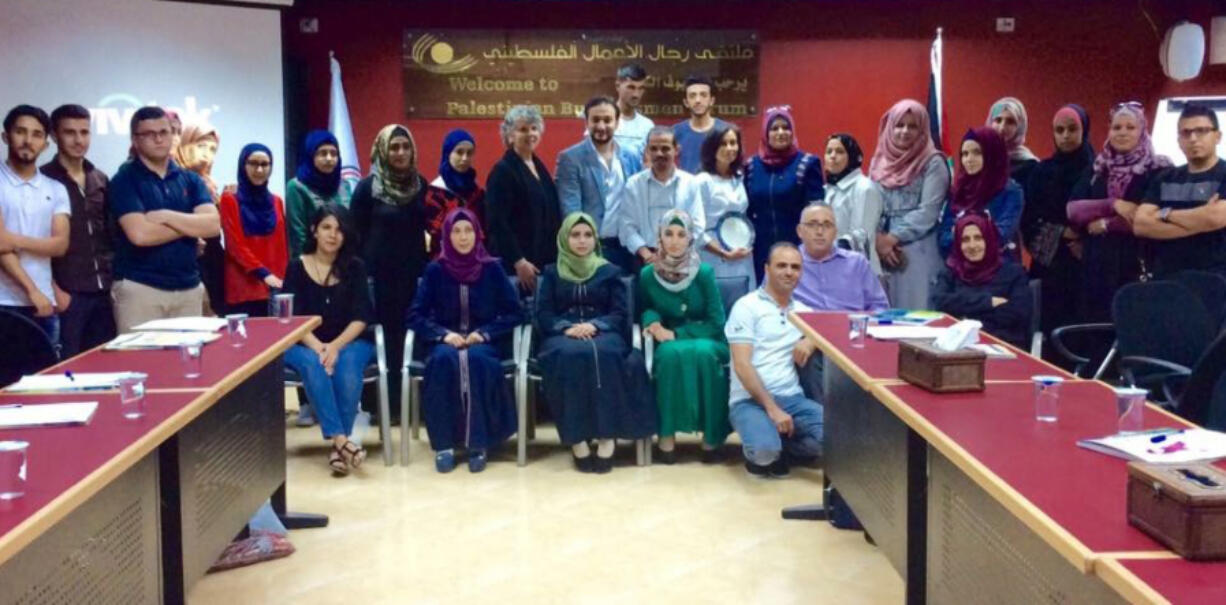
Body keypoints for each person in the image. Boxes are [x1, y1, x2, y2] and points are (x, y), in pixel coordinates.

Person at [536, 212, 656, 473]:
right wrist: (566, 328)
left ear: (595, 239)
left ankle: (606, 436)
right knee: (569, 357)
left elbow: (620, 314)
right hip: (562, 337)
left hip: (604, 333)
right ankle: (577, 439)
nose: (582, 241)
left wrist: (594, 325)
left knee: (605, 356)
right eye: (575, 235)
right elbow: (544, 314)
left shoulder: (610, 272)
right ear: (564, 239)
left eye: (588, 235)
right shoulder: (552, 273)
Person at [408, 208, 522, 474]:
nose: (463, 237)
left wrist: (485, 333)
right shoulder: (436, 270)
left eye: (468, 230)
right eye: (456, 231)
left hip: (483, 340)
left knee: (478, 360)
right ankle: (444, 445)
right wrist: (442, 334)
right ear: (447, 235)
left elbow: (516, 311)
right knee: (443, 361)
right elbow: (414, 314)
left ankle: (478, 443)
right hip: (444, 341)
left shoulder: (491, 268)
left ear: (478, 234)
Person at [107, 106, 219, 333]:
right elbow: (140, 235)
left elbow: (213, 226)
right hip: (141, 288)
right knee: (142, 365)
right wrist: (190, 226)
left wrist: (167, 217)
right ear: (135, 140)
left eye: (164, 132)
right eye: (149, 134)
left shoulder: (191, 180)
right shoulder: (124, 179)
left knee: (188, 365)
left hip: (188, 287)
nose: (158, 139)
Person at [282, 204, 375, 476]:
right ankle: (342, 441)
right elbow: (291, 318)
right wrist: (319, 347)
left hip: (350, 341)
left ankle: (338, 447)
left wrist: (334, 347)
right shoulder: (296, 267)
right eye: (326, 228)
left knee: (347, 369)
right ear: (314, 230)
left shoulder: (355, 267)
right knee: (313, 364)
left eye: (339, 229)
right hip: (302, 341)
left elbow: (361, 317)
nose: (333, 235)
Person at [350, 124, 429, 428]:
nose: (400, 153)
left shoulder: (420, 185)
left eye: (405, 147)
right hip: (377, 281)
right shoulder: (367, 188)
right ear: (382, 150)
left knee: (412, 339)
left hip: (414, 278)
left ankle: (412, 405)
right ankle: (382, 406)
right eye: (393, 147)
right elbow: (353, 237)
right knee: (384, 341)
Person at [639, 210, 730, 464]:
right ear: (659, 237)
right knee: (667, 355)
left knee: (703, 354)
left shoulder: (704, 273)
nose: (675, 240)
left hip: (707, 335)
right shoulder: (648, 275)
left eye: (681, 234)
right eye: (668, 233)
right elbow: (645, 307)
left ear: (690, 238)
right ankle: (666, 436)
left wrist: (677, 332)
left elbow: (717, 322)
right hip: (668, 339)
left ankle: (712, 438)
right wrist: (653, 322)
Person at [726, 242, 823, 478]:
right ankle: (768, 448)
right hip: (750, 400)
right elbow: (742, 364)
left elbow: (829, 332)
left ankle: (784, 449)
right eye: (781, 266)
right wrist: (772, 408)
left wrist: (810, 339)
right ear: (767, 269)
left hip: (792, 398)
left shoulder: (803, 312)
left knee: (839, 442)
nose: (789, 272)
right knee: (764, 452)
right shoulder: (746, 306)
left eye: (795, 267)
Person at [1067, 102, 1170, 321]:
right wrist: (1114, 204)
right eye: (1116, 127)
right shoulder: (1099, 168)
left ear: (1142, 130)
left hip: (1137, 266)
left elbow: (1148, 219)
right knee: (1093, 336)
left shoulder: (1159, 169)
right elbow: (1074, 210)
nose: (1122, 132)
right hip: (1096, 269)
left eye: (1130, 127)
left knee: (1131, 332)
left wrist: (1105, 224)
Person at [41, 104, 115, 356]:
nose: (78, 140)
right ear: (54, 135)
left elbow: (109, 234)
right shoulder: (43, 180)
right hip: (67, 293)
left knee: (107, 365)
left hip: (104, 291)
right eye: (70, 132)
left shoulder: (100, 178)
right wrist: (54, 291)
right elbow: (36, 243)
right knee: (69, 369)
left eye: (84, 132)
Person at [1022, 104, 1094, 343]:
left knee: (1084, 330)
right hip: (1050, 265)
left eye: (1072, 129)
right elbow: (1029, 220)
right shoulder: (1042, 172)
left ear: (1084, 130)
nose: (1065, 136)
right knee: (1048, 330)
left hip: (1087, 264)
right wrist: (1063, 232)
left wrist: (1083, 239)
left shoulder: (1098, 170)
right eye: (1059, 130)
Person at [869, 99, 950, 310]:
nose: (904, 131)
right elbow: (869, 204)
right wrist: (878, 239)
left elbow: (928, 211)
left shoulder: (933, 162)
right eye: (899, 125)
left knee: (915, 314)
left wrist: (891, 238)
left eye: (912, 126)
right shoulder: (879, 161)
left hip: (917, 248)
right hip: (879, 249)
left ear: (922, 129)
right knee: (882, 315)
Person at [0, 105, 70, 344]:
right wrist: (32, 291)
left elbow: (60, 245)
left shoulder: (56, 188)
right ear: (5, 136)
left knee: (42, 378)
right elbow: (1, 249)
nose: (28, 140)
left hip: (43, 304)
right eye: (20, 132)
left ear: (46, 144)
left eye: (37, 134)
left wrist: (13, 239)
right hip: (5, 302)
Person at [1134, 103, 1226, 277]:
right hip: (1167, 278)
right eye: (1186, 132)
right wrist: (1202, 220)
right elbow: (1141, 224)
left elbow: (1216, 218)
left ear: (1217, 136)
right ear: (1178, 140)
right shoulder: (1164, 178)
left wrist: (1165, 214)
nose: (1193, 138)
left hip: (1216, 280)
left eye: (1201, 131)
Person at [556, 96, 641, 273]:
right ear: (586, 123)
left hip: (627, 249)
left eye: (607, 120)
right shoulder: (570, 158)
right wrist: (582, 246)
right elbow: (571, 211)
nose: (601, 126)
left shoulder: (632, 156)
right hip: (591, 249)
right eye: (595, 120)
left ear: (617, 123)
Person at [485, 105, 561, 295]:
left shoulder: (537, 165)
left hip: (542, 261)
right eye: (523, 129)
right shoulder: (502, 171)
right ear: (510, 135)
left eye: (534, 128)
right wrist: (518, 260)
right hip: (516, 267)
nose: (530, 134)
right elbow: (497, 222)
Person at [744, 106, 825, 282]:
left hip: (797, 252)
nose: (781, 132)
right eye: (774, 128)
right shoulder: (751, 166)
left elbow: (815, 213)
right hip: (760, 252)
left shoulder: (808, 164)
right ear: (766, 133)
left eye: (786, 127)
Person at [931, 213, 1032, 349]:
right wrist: (988, 302)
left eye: (978, 238)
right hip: (958, 344)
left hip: (1002, 344)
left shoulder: (1013, 274)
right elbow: (940, 302)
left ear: (989, 239)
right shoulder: (951, 272)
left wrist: (964, 313)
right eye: (965, 240)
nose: (972, 245)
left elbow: (1017, 314)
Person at [619, 126, 705, 267]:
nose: (659, 153)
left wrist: (676, 254)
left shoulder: (691, 183)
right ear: (647, 151)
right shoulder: (634, 185)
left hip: (683, 260)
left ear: (676, 150)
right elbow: (626, 227)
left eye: (665, 148)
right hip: (645, 259)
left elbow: (697, 225)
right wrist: (647, 255)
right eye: (653, 149)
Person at [218, 143, 287, 317]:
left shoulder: (277, 201)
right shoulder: (229, 199)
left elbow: (281, 246)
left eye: (265, 164)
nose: (259, 170)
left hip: (275, 286)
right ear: (243, 165)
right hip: (245, 288)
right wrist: (263, 273)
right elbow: (235, 245)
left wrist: (283, 279)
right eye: (253, 163)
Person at [937, 127, 1024, 259]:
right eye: (965, 154)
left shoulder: (1010, 191)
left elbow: (1001, 235)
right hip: (960, 270)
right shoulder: (958, 191)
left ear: (992, 154)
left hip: (999, 269)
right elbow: (943, 238)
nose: (969, 159)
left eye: (977, 152)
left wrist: (960, 233)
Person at [794, 205, 888, 312]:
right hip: (802, 326)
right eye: (812, 225)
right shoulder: (787, 264)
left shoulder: (857, 263)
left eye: (827, 225)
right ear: (800, 231)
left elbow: (879, 306)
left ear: (835, 232)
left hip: (852, 326)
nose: (819, 231)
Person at [173, 123, 225, 315]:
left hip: (213, 260)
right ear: (186, 143)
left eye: (212, 150)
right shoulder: (173, 180)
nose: (207, 155)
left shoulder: (209, 184)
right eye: (201, 147)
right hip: (188, 262)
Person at [695, 124, 755, 286]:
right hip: (712, 254)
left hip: (742, 254)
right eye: (723, 143)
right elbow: (695, 227)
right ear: (712, 147)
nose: (730, 148)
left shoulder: (740, 178)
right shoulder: (702, 181)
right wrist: (722, 253)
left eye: (733, 143)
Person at [823, 133, 883, 275]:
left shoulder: (864, 187)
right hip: (831, 266)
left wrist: (832, 248)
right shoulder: (827, 189)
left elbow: (862, 235)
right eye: (828, 152)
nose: (832, 156)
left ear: (852, 155)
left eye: (840, 151)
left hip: (859, 270)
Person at [286, 130, 352, 258]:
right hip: (312, 262)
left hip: (342, 260)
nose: (329, 158)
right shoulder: (297, 187)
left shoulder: (344, 185)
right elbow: (298, 235)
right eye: (323, 153)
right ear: (311, 156)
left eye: (334, 154)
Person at [424, 129, 484, 259]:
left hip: (476, 261)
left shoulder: (478, 193)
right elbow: (435, 234)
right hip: (444, 262)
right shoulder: (434, 193)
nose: (464, 158)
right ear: (448, 153)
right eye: (459, 152)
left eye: (469, 153)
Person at [672, 75, 729, 174]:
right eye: (692, 96)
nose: (698, 100)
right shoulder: (675, 132)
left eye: (703, 95)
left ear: (712, 100)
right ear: (686, 102)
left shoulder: (725, 131)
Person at [987, 97, 1040, 187]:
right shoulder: (979, 158)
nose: (1002, 127)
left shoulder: (1029, 165)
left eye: (1010, 122)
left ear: (1020, 127)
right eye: (998, 120)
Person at [612, 63, 654, 158]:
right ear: (618, 86)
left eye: (640, 88)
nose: (636, 94)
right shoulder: (603, 121)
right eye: (631, 88)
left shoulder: (647, 126)